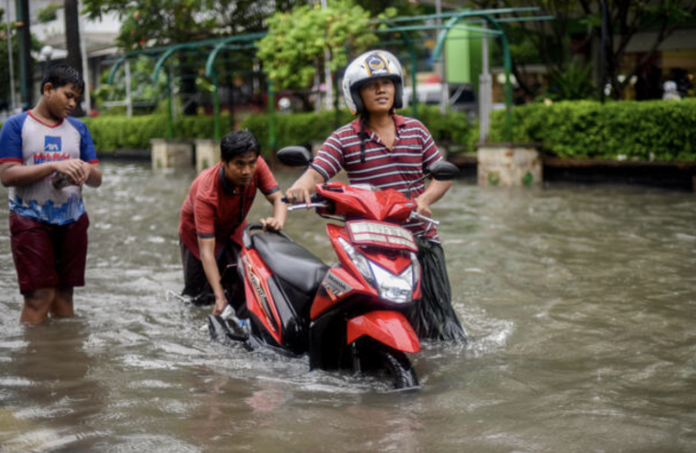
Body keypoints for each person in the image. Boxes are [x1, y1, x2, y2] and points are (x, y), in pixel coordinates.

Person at [285, 50, 466, 342]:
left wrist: (424, 200)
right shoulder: (344, 138)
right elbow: (316, 173)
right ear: (356, 94)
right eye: (372, 85)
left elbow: (440, 176)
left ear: (397, 89)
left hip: (419, 238)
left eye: (387, 82)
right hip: (371, 241)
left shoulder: (416, 131)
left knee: (441, 329)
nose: (381, 90)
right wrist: (299, 188)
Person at [0, 64, 102, 324]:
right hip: (29, 219)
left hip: (73, 220)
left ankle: (64, 357)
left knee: (64, 297)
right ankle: (34, 361)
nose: (72, 104)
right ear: (48, 89)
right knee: (38, 296)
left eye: (76, 99)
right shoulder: (16, 125)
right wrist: (54, 165)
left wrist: (81, 171)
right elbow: (7, 175)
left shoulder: (78, 128)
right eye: (68, 96)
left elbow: (97, 178)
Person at [178, 130, 287, 317]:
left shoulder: (257, 165)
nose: (246, 171)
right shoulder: (206, 193)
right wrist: (219, 297)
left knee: (243, 279)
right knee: (199, 297)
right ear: (223, 161)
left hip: (233, 226)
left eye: (250, 163)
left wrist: (278, 220)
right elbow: (206, 252)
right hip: (197, 236)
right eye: (239, 164)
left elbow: (279, 199)